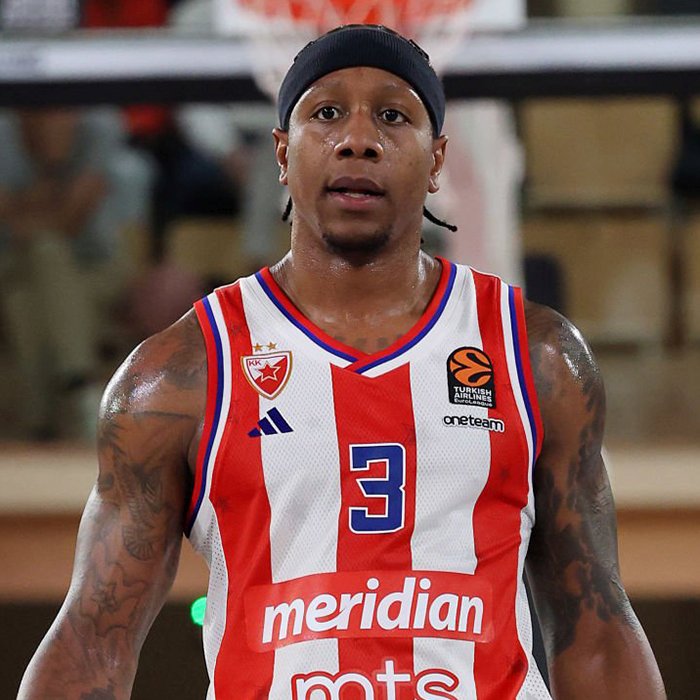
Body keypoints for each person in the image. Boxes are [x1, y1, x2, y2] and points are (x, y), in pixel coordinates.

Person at [18, 24, 665, 700]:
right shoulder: (181, 373)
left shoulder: (536, 356)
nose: (359, 139)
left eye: (393, 116)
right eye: (327, 113)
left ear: (438, 159)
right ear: (281, 152)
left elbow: (596, 629)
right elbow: (94, 641)